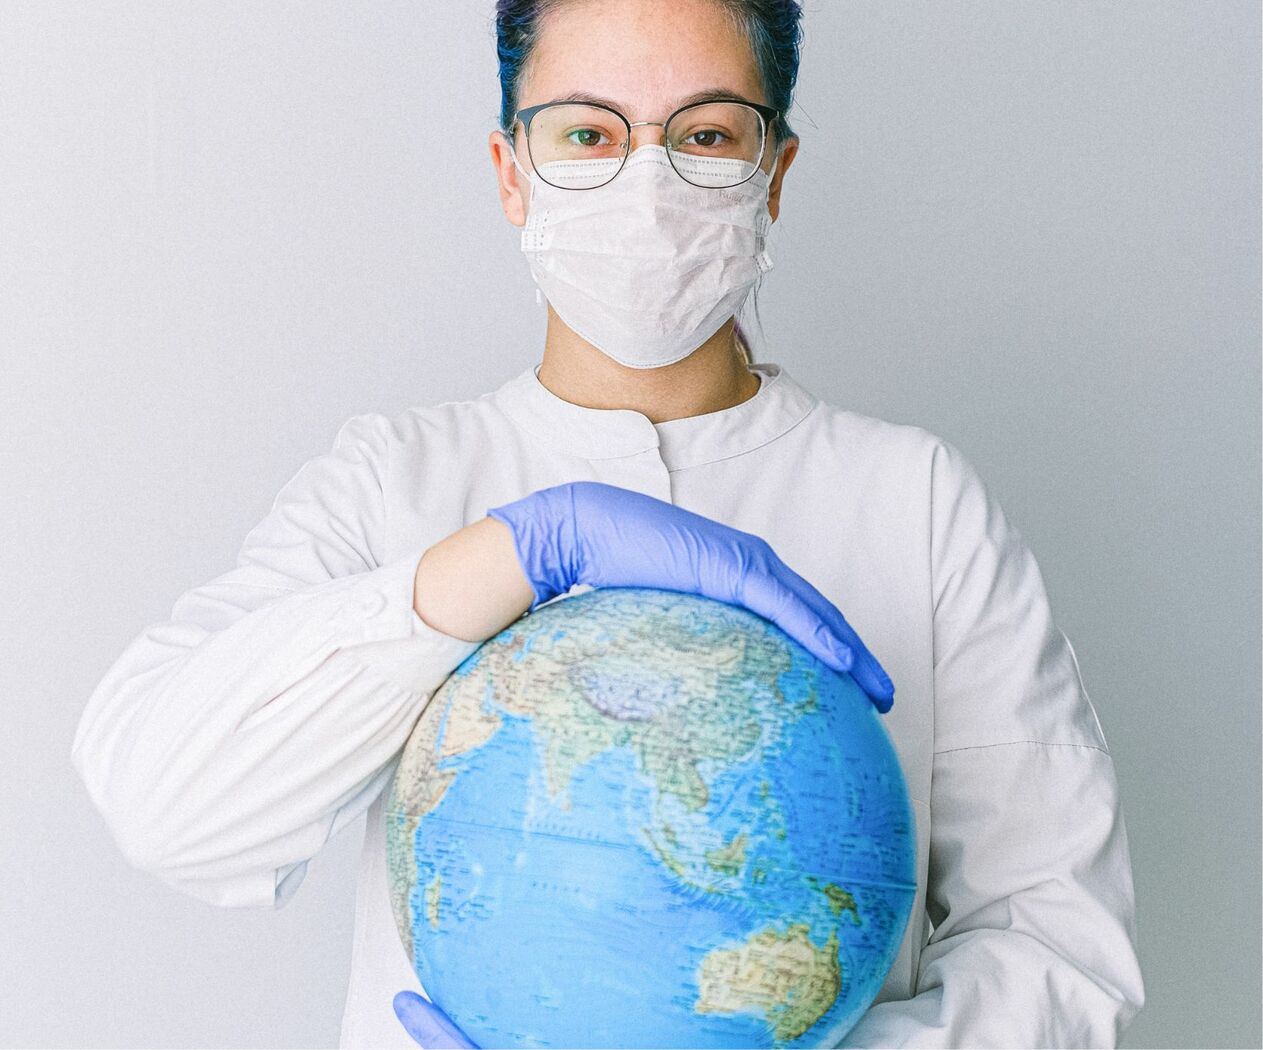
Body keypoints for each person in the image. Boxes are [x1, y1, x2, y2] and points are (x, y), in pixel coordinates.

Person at [68, 0, 1146, 1046]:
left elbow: (1062, 947)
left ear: (774, 173)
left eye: (707, 133)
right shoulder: (389, 482)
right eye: (588, 132)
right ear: (510, 174)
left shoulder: (917, 502)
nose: (647, 181)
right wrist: (511, 556)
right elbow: (167, 805)